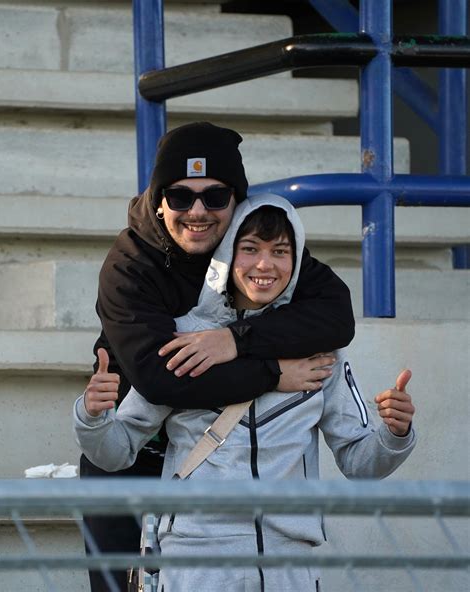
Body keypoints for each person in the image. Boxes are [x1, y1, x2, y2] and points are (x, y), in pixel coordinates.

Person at [75, 195, 416, 592]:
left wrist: (396, 433)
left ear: (297, 259)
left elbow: (361, 462)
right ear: (224, 255)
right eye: (249, 248)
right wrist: (94, 416)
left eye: (281, 251)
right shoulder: (185, 337)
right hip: (194, 561)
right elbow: (115, 451)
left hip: (289, 564)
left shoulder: (321, 350)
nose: (265, 265)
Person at [82, 122, 356, 591]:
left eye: (215, 197)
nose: (198, 212)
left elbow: (336, 316)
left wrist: (237, 340)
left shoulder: (252, 246)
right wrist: (272, 372)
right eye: (181, 196)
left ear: (237, 199)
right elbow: (161, 379)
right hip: (133, 452)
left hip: (216, 468)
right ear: (157, 198)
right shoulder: (129, 264)